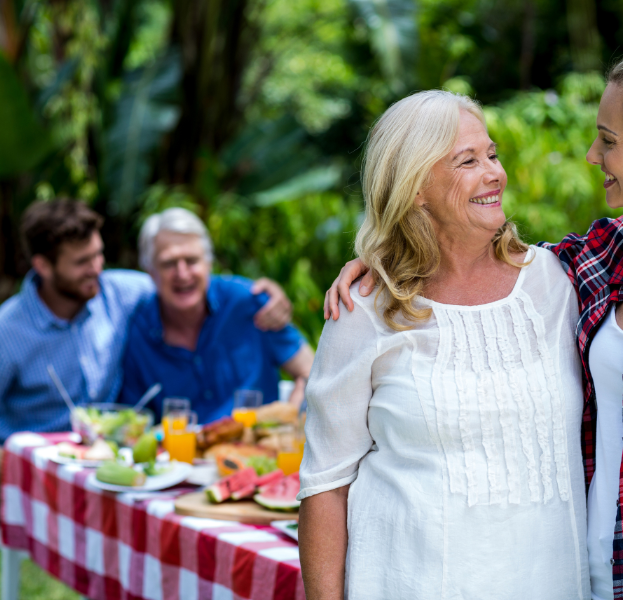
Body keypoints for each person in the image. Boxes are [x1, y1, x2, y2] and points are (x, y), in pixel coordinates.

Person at [324, 49, 623, 599]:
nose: (594, 155)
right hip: (595, 580)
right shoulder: (612, 253)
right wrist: (385, 256)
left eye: (609, 139)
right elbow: (483, 265)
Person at [299, 90, 590, 600]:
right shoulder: (364, 309)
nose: (494, 173)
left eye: (493, 155)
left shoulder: (556, 283)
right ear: (415, 189)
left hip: (553, 582)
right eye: (467, 161)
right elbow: (325, 484)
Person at [0, 199, 293, 443]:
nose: (97, 269)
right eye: (82, 262)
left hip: (101, 458)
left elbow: (187, 282)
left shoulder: (120, 292)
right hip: (27, 465)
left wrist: (265, 293)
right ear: (43, 266)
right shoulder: (8, 331)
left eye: (99, 255)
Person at [120, 208, 314, 423]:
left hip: (258, 452)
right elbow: (134, 420)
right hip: (180, 455)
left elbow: (312, 372)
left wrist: (289, 418)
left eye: (192, 261)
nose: (182, 274)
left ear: (209, 263)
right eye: (169, 264)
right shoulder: (139, 331)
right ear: (150, 271)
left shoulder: (248, 302)